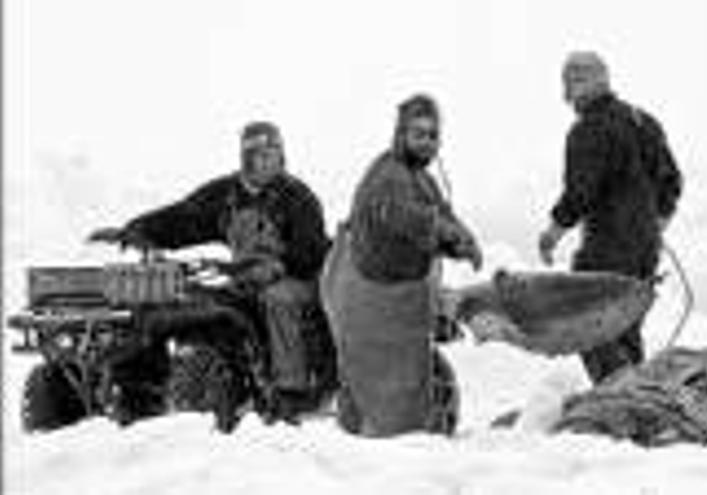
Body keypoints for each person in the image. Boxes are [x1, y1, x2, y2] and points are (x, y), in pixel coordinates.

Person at [89, 121, 337, 422]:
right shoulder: (226, 195)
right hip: (245, 275)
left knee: (277, 299)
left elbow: (310, 250)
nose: (269, 160)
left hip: (298, 277)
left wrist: (277, 266)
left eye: (274, 152)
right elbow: (183, 217)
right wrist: (137, 231)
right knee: (206, 301)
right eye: (260, 154)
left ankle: (291, 391)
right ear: (246, 157)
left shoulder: (298, 197)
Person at [321, 94, 482, 437]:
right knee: (383, 403)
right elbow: (408, 218)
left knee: (403, 388)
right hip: (366, 295)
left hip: (399, 296)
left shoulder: (423, 178)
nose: (427, 142)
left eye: (432, 135)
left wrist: (462, 238)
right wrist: (448, 234)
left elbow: (441, 215)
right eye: (418, 134)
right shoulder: (389, 175)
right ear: (400, 135)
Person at [538, 51, 683, 384]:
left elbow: (580, 193)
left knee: (585, 323)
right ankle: (640, 402)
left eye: (573, 81)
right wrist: (655, 224)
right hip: (644, 250)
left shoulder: (587, 130)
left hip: (606, 248)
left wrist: (553, 232)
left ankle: (620, 400)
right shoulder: (642, 121)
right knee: (626, 330)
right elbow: (672, 181)